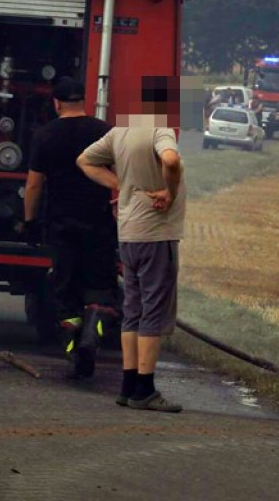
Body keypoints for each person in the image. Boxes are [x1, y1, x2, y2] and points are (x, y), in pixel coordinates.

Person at [77, 76, 186, 413]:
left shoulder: (120, 132)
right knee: (153, 310)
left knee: (133, 310)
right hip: (156, 234)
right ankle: (145, 388)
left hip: (129, 233)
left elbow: (84, 160)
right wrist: (168, 191)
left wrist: (122, 185)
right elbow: (170, 160)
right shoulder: (160, 130)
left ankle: (127, 385)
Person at [22, 76, 118, 378]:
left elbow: (34, 185)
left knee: (66, 292)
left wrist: (29, 222)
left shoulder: (45, 135)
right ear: (85, 101)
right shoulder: (104, 132)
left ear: (56, 103)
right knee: (100, 287)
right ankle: (93, 330)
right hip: (99, 222)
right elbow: (120, 174)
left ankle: (74, 348)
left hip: (61, 224)